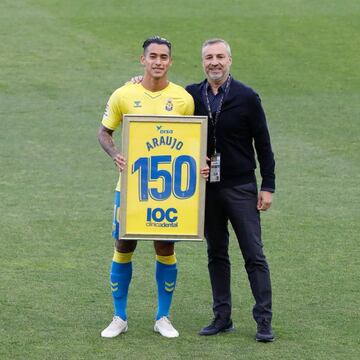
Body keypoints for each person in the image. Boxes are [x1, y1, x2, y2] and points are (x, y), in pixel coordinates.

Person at [98, 36, 195, 339]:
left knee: (165, 247)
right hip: (129, 189)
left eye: (163, 57)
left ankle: (163, 317)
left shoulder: (183, 99)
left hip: (168, 192)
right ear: (143, 60)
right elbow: (104, 132)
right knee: (124, 246)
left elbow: (194, 140)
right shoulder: (124, 94)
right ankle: (119, 317)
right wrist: (115, 154)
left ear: (170, 61)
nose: (158, 61)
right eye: (152, 56)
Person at [185, 39, 276, 342]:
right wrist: (135, 80)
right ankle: (222, 316)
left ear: (230, 61)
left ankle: (263, 320)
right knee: (216, 253)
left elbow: (263, 144)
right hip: (207, 188)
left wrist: (268, 186)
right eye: (209, 57)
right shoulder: (191, 95)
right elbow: (163, 106)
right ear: (203, 62)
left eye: (220, 57)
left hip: (240, 186)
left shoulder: (247, 97)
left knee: (253, 254)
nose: (215, 62)